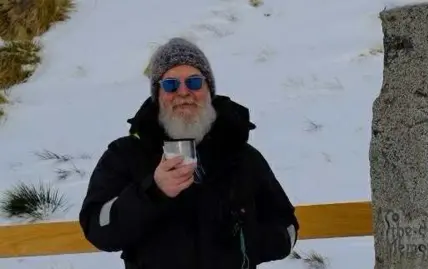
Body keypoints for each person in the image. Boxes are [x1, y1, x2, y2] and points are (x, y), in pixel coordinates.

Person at [78, 37, 299, 269]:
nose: (183, 92)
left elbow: (287, 226)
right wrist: (152, 192)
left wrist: (245, 244)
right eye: (171, 84)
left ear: (208, 91)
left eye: (194, 82)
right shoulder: (125, 154)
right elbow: (97, 228)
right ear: (158, 94)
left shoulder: (241, 155)